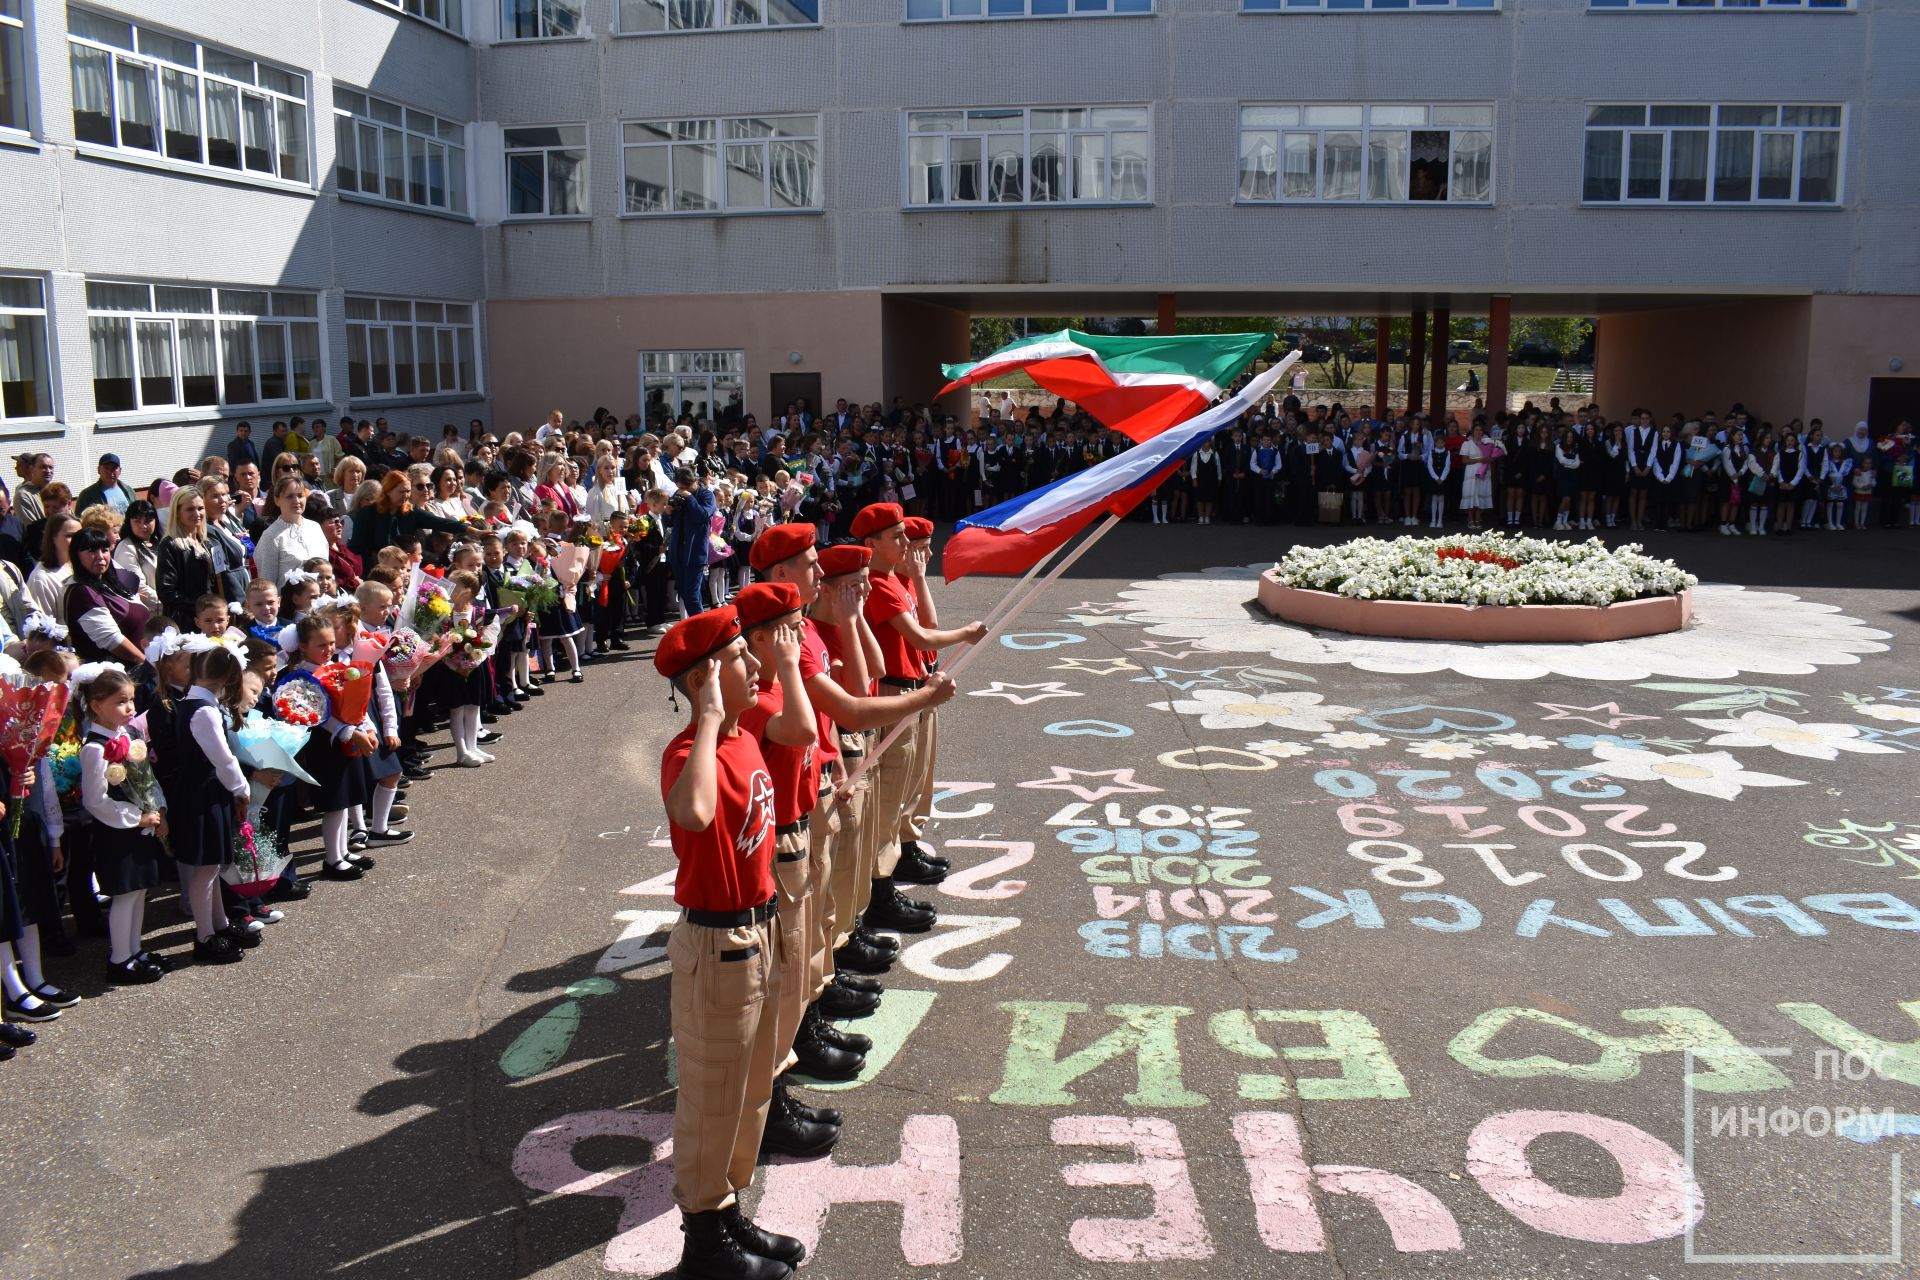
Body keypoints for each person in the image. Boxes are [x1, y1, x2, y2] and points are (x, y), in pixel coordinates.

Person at [654, 606, 807, 1280]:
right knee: (713, 1096)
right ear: (710, 676)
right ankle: (703, 1241)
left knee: (748, 1092)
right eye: (742, 656)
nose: (756, 664)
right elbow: (692, 814)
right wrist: (710, 716)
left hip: (759, 927)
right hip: (717, 946)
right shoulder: (691, 750)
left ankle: (726, 1208)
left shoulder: (746, 737)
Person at [852, 503, 985, 934]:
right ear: (871, 544)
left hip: (915, 688)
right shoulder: (878, 583)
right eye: (897, 537)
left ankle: (894, 865)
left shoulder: (895, 580)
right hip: (897, 690)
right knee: (888, 797)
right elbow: (922, 636)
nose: (907, 545)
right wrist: (966, 633)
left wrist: (920, 578)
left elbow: (927, 622)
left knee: (909, 785)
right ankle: (878, 889)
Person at [158, 643, 257, 966]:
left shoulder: (198, 703)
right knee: (206, 868)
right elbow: (222, 759)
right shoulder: (202, 711)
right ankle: (204, 936)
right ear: (227, 678)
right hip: (201, 795)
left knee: (213, 864)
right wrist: (242, 789)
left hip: (206, 792)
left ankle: (220, 924)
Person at [75, 665, 170, 985]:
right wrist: (135, 817)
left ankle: (134, 950)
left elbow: (147, 777)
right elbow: (95, 800)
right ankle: (119, 958)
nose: (129, 707)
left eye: (130, 700)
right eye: (120, 701)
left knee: (139, 891)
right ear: (96, 705)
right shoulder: (94, 748)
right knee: (124, 894)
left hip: (142, 824)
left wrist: (158, 811)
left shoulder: (129, 734)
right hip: (116, 831)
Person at [283, 614, 377, 882]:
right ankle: (332, 859)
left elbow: (357, 702)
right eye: (321, 645)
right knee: (335, 803)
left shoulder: (337, 667)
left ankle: (343, 851)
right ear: (303, 646)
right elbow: (319, 715)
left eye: (331, 644)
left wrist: (367, 728)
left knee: (346, 800)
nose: (328, 650)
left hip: (348, 741)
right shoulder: (302, 675)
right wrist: (349, 733)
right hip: (325, 745)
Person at [64, 528, 150, 666]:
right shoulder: (82, 592)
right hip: (116, 678)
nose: (100, 557)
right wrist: (146, 664)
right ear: (76, 555)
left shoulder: (110, 583)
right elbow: (111, 640)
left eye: (105, 550)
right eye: (92, 551)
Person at [253, 476, 329, 592]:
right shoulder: (271, 536)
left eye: (300, 495)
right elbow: (267, 584)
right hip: (290, 605)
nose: (296, 501)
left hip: (320, 602)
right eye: (289, 496)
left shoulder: (315, 527)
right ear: (277, 500)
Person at [1457, 424, 1500, 533]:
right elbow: (1464, 461)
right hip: (1471, 473)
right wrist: (1480, 459)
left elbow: (1491, 458)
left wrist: (1490, 458)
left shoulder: (1487, 444)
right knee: (1472, 495)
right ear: (1472, 431)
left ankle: (1478, 519)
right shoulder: (1467, 444)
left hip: (1484, 472)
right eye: (1476, 430)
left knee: (1481, 495)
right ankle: (1471, 519)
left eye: (1480, 430)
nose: (1478, 432)